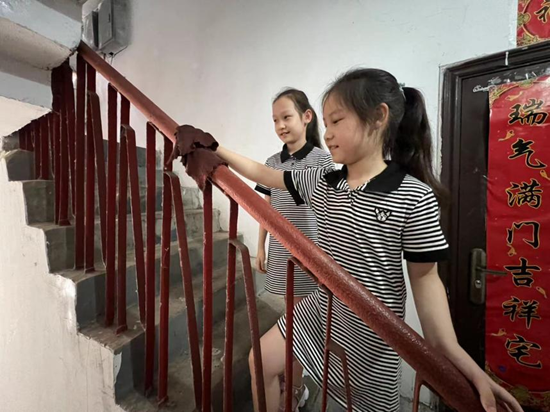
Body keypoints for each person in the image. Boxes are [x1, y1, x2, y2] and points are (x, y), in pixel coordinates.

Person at [176, 68, 523, 412]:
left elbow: (426, 279)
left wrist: (465, 366)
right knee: (260, 360)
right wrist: (214, 146)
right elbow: (267, 174)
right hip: (321, 310)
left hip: (372, 334)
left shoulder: (414, 196)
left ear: (378, 117)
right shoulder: (323, 180)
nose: (327, 134)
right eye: (325, 123)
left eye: (337, 121)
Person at [254, 88, 332, 410]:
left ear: (306, 117)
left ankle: (296, 387)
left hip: (310, 256)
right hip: (280, 252)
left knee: (299, 328)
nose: (280, 125)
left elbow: (332, 210)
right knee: (292, 321)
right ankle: (288, 378)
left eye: (286, 117)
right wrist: (260, 246)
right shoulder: (272, 162)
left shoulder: (322, 160)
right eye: (275, 120)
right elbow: (266, 207)